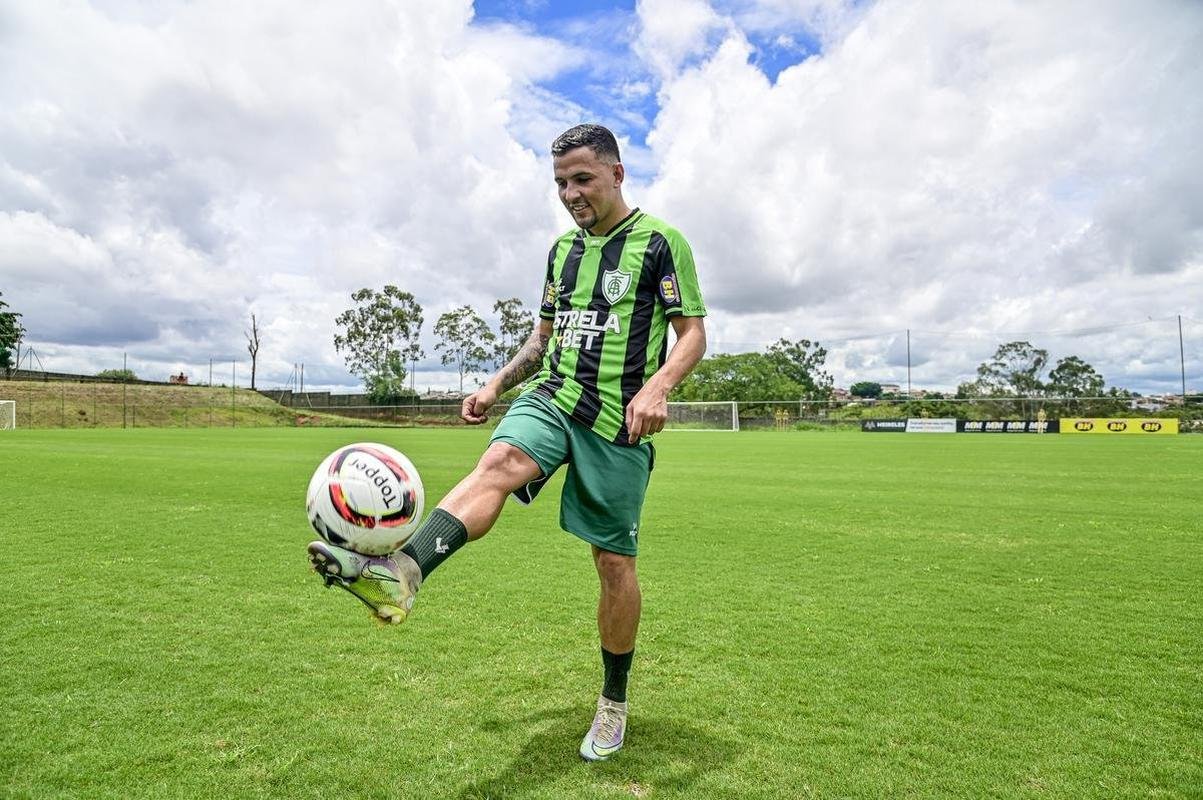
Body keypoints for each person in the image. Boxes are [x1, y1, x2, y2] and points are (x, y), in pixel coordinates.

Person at [307, 123, 707, 762]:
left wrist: (658, 387)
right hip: (553, 396)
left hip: (619, 424)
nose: (571, 194)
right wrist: (496, 383)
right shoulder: (562, 253)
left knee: (613, 567)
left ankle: (613, 702)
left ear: (617, 173)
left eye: (582, 179)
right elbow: (545, 337)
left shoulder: (661, 243)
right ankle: (401, 574)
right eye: (560, 183)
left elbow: (692, 333)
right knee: (499, 462)